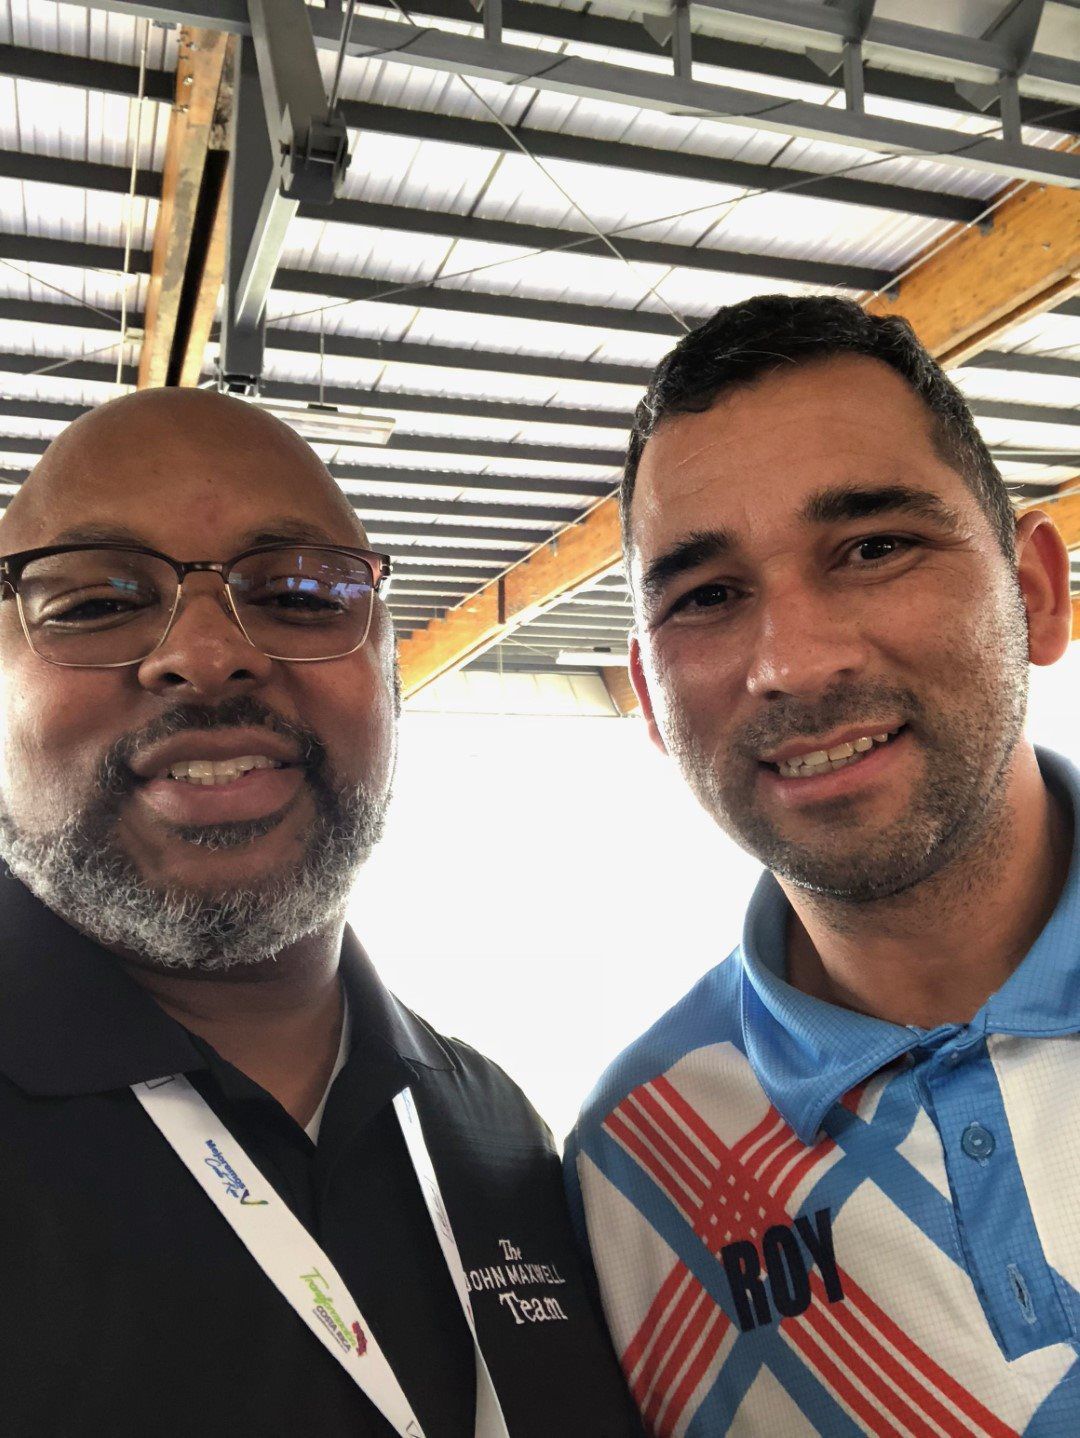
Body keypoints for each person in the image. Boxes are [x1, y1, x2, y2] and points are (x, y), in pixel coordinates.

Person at [0, 387, 640, 1438]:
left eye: (299, 593)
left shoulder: (495, 1131)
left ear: (389, 673)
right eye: (93, 603)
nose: (208, 653)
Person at [565, 295, 1080, 1436]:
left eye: (875, 547)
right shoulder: (632, 1171)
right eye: (707, 596)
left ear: (1037, 594)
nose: (793, 663)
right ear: (650, 697)